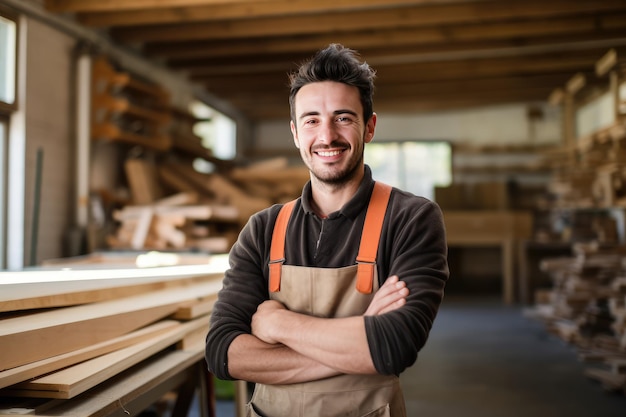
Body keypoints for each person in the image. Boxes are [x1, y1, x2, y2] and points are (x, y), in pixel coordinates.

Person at [205, 43, 449, 417]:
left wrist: (278, 322)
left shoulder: (410, 219)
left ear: (369, 127)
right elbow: (223, 353)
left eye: (343, 118)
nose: (327, 136)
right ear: (295, 133)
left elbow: (394, 347)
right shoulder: (263, 229)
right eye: (311, 120)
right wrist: (362, 334)